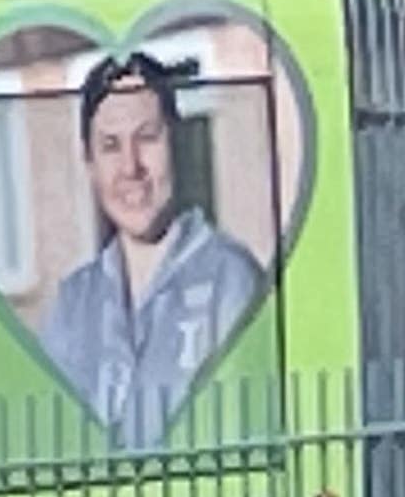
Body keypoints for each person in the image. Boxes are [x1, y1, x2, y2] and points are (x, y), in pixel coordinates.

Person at [39, 53, 272, 451]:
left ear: (175, 141)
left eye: (147, 137)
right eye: (110, 146)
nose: (131, 167)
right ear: (89, 162)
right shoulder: (72, 305)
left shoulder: (231, 281)